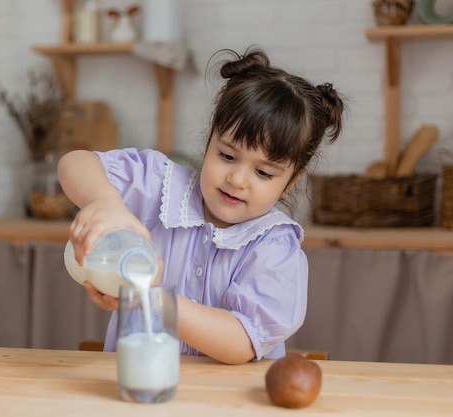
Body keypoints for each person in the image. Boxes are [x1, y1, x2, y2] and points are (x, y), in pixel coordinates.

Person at [57, 46, 345, 365]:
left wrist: (153, 301)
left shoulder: (274, 247)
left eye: (263, 172)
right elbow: (75, 163)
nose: (237, 179)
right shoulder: (162, 186)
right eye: (227, 155)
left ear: (290, 182)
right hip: (137, 387)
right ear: (210, 141)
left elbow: (241, 342)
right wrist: (105, 201)